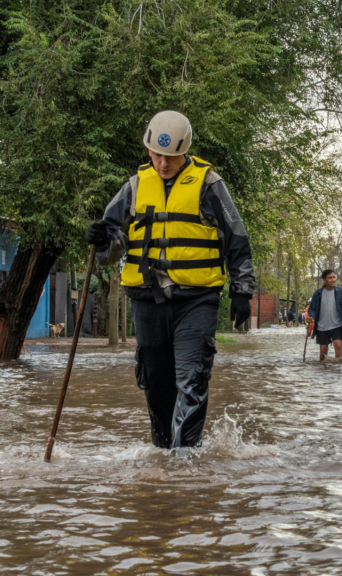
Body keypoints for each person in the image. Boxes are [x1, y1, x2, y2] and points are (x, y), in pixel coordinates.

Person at [85, 110, 255, 450]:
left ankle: (184, 465)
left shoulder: (209, 185)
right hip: (147, 300)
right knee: (156, 384)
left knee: (191, 379)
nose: (164, 164)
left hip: (196, 300)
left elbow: (236, 238)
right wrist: (103, 240)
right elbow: (111, 251)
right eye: (158, 155)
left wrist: (242, 290)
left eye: (172, 157)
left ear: (185, 152)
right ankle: (163, 458)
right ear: (149, 151)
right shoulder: (133, 188)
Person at [307, 270, 342, 361]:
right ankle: (323, 371)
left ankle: (339, 368)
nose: (333, 280)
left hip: (337, 324)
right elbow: (312, 308)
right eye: (330, 278)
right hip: (321, 326)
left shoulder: (341, 291)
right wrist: (311, 316)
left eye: (334, 277)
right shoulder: (318, 293)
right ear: (324, 280)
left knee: (338, 345)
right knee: (323, 351)